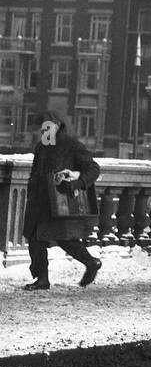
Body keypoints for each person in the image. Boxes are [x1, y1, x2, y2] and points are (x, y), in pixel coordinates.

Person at [22, 110, 102, 290]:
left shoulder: (71, 145)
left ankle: (91, 262)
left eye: (47, 128)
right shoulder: (41, 147)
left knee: (66, 240)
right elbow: (36, 173)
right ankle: (42, 279)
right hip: (38, 202)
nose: (44, 132)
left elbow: (93, 169)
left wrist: (77, 184)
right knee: (35, 239)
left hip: (60, 203)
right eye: (42, 129)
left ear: (57, 126)